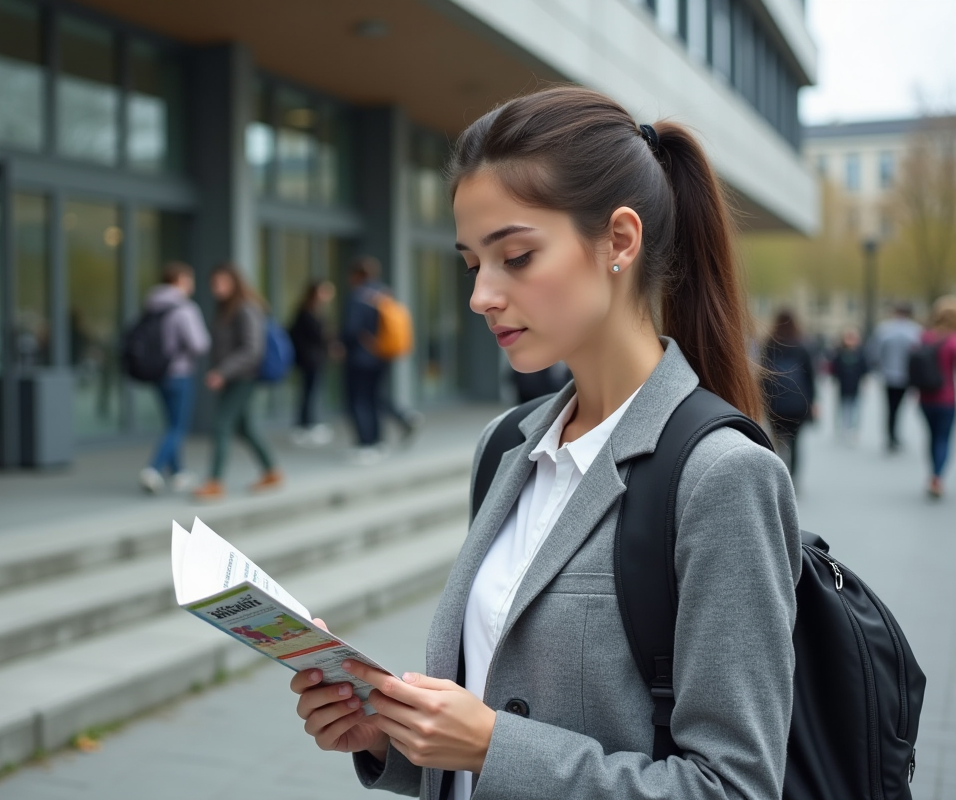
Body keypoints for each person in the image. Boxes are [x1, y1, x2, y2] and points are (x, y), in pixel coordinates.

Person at [290, 86, 800, 800]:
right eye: (473, 263)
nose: (481, 296)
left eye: (517, 257)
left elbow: (733, 787)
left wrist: (493, 745)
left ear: (619, 240)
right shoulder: (507, 448)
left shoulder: (721, 476)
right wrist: (389, 736)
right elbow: (487, 723)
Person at [194, 263, 282, 501]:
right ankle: (271, 471)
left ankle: (214, 481)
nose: (217, 288)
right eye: (214, 283)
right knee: (245, 428)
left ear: (235, 283)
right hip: (234, 376)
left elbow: (252, 349)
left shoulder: (246, 308)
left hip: (243, 377)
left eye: (223, 283)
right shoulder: (225, 309)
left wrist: (222, 372)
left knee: (222, 424)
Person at [138, 262, 211, 495]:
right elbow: (199, 344)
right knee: (177, 426)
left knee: (171, 422)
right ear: (180, 279)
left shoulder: (152, 305)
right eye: (189, 279)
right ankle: (153, 469)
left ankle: (178, 472)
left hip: (158, 373)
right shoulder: (184, 308)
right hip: (179, 372)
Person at [341, 257, 421, 464]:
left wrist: (341, 345)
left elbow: (351, 329)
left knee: (359, 400)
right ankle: (381, 439)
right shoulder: (383, 293)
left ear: (356, 275)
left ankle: (366, 444)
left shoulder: (358, 296)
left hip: (360, 358)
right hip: (382, 355)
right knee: (374, 397)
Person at [761, 309, 817, 480]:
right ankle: (792, 477)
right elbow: (810, 377)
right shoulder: (801, 345)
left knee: (777, 441)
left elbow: (762, 375)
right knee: (796, 441)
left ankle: (778, 474)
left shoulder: (769, 344)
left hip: (775, 402)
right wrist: (813, 401)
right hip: (798, 403)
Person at [288, 280, 337, 446]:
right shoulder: (306, 313)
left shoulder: (317, 311)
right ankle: (304, 425)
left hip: (315, 359)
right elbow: (305, 336)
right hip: (309, 360)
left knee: (312, 392)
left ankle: (308, 423)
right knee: (308, 392)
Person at [870, 302, 922, 452]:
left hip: (888, 374)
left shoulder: (885, 329)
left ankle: (890, 436)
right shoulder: (915, 331)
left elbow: (875, 352)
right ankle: (894, 435)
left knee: (889, 406)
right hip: (906, 375)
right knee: (899, 406)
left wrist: (878, 367)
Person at [917, 296, 956, 499]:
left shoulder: (926, 337)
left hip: (925, 397)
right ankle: (937, 477)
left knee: (932, 437)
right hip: (947, 399)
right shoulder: (953, 340)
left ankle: (932, 474)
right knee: (943, 438)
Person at [828, 327, 868, 442]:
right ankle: (842, 429)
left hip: (855, 386)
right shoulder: (839, 353)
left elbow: (864, 369)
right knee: (842, 408)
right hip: (842, 386)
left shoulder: (860, 353)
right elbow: (834, 369)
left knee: (855, 408)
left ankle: (853, 430)